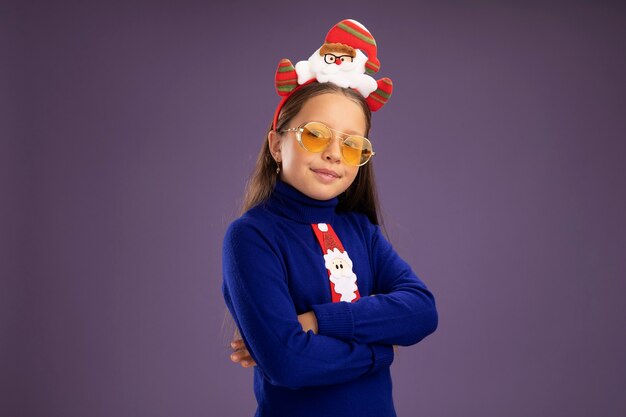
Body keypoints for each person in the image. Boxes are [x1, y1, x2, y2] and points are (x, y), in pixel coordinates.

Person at [222, 19, 438, 417]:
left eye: (352, 144)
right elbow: (289, 362)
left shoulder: (362, 231)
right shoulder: (251, 237)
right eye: (317, 134)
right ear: (276, 143)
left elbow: (422, 310)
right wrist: (379, 353)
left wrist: (319, 321)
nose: (335, 154)